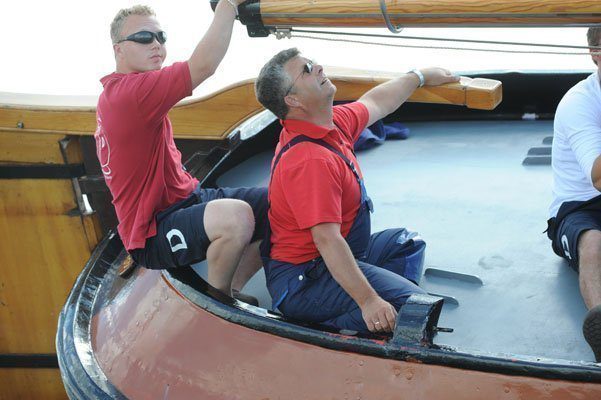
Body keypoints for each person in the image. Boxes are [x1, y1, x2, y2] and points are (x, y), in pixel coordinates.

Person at [254, 48, 459, 333]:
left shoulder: (330, 123)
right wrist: (369, 300)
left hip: (346, 251)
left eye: (312, 62)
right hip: (306, 279)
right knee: (413, 311)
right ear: (293, 100)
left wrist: (420, 76)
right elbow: (327, 240)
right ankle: (341, 320)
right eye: (306, 70)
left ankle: (381, 308)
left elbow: (376, 102)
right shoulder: (310, 161)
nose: (318, 68)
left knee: (407, 243)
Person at [94, 3, 266, 304]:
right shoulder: (132, 94)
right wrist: (228, 6)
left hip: (186, 200)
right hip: (152, 232)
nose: (157, 44)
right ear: (118, 49)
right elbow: (203, 66)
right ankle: (220, 303)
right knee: (236, 218)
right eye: (144, 37)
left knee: (280, 203)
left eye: (161, 36)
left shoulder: (123, 91)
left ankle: (234, 288)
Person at [547, 27, 601, 362]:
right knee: (594, 242)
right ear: (596, 53)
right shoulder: (580, 102)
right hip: (579, 206)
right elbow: (597, 176)